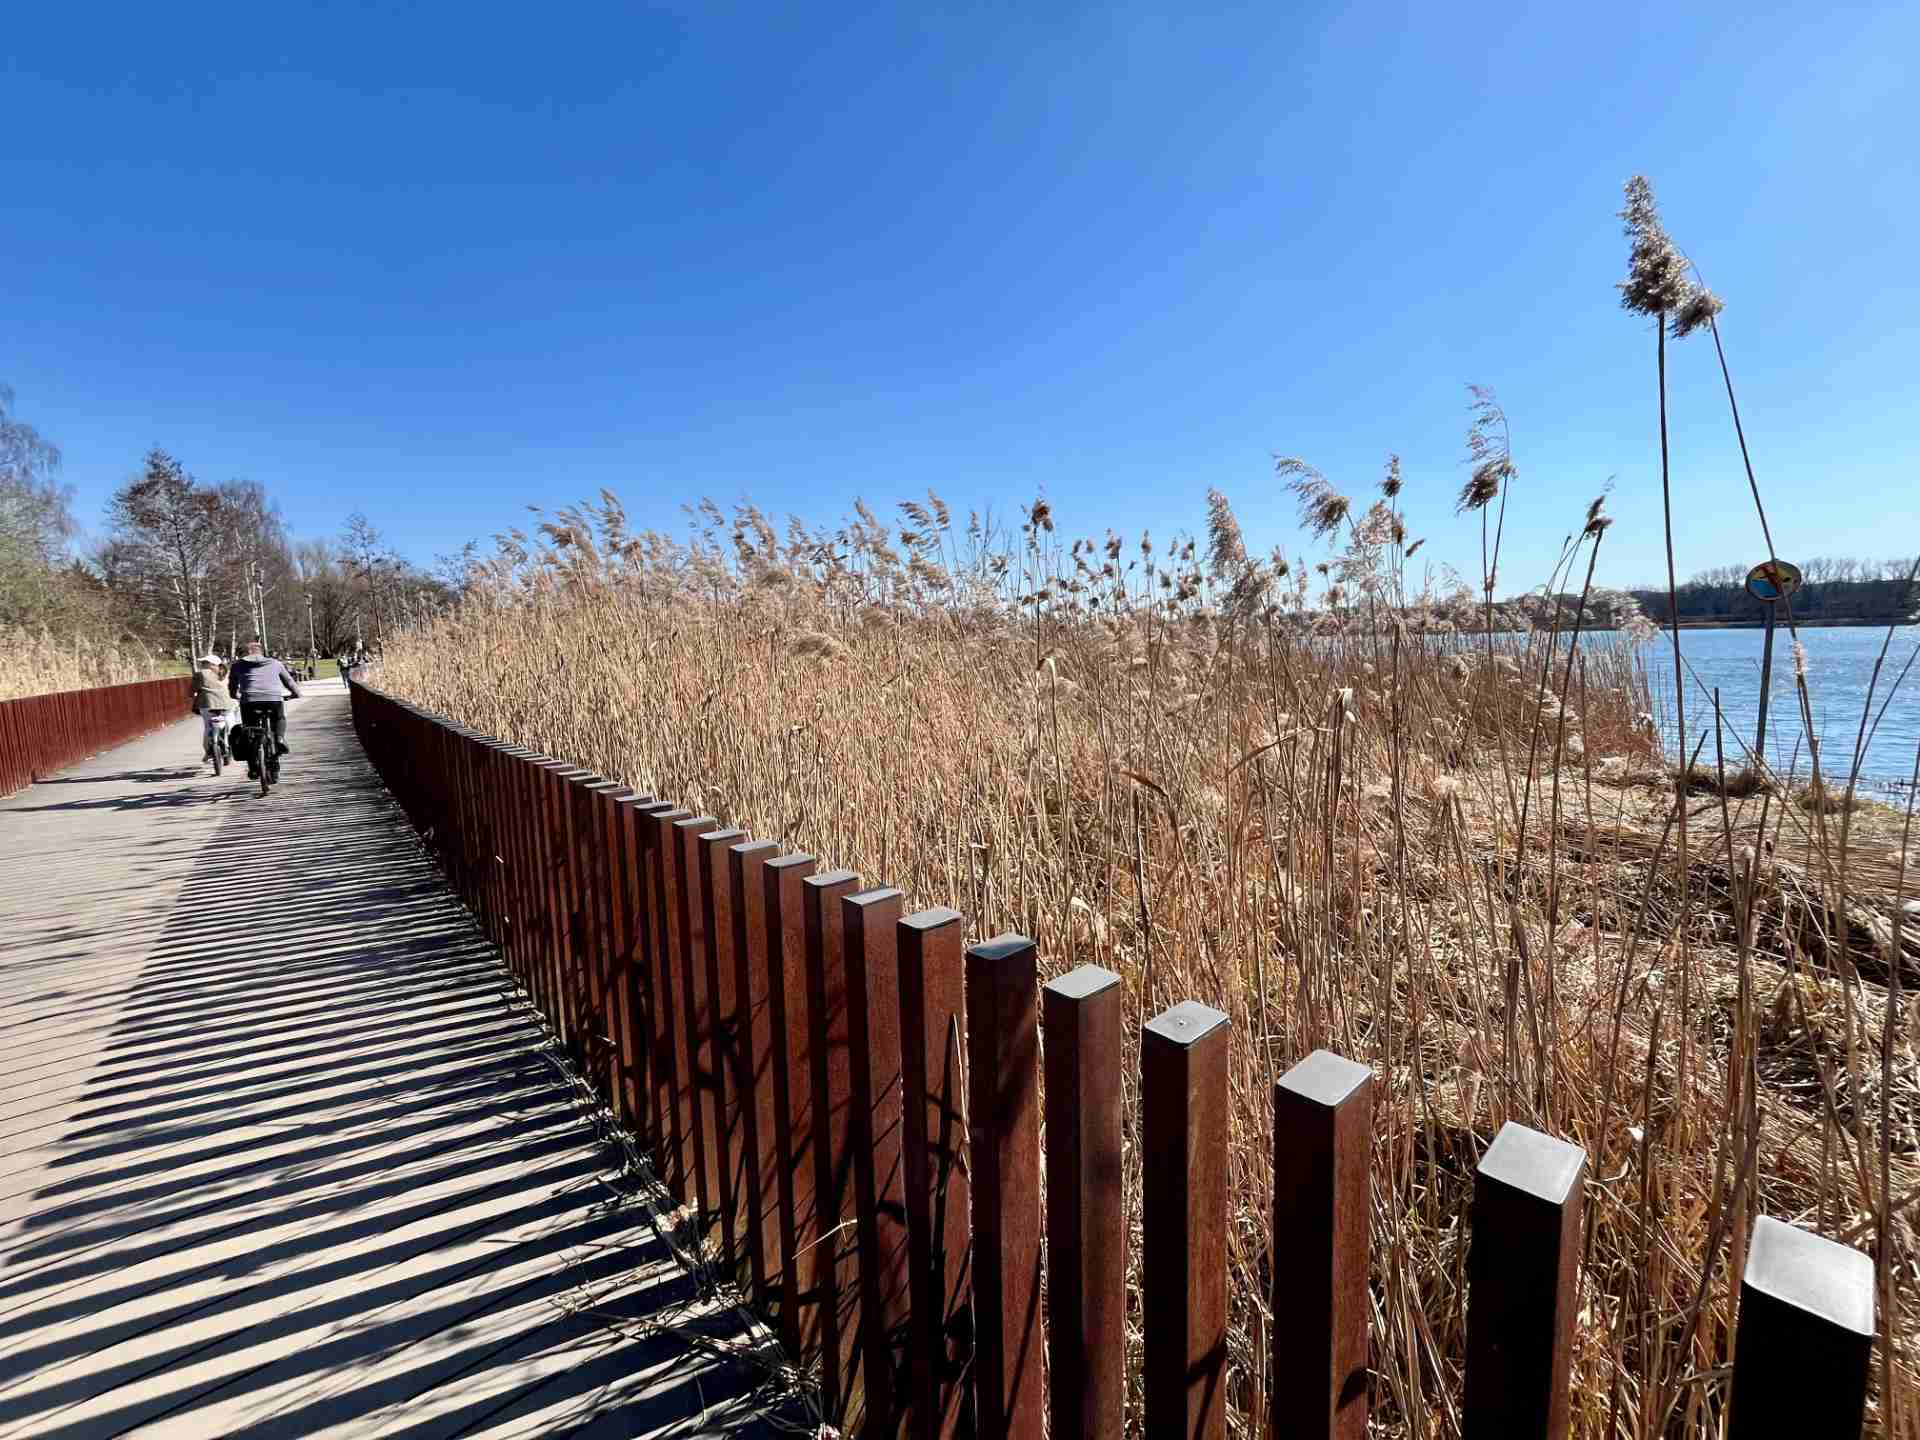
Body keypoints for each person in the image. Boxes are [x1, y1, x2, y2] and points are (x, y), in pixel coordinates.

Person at [227, 637, 304, 775]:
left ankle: (252, 765)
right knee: (279, 718)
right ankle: (279, 738)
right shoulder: (275, 663)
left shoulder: (237, 665)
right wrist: (296, 694)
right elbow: (289, 681)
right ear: (262, 652)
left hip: (249, 701)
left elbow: (232, 686)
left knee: (249, 729)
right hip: (273, 699)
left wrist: (235, 695)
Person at [189, 654, 235, 761]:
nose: (202, 664)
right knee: (230, 725)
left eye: (204, 663)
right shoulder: (226, 673)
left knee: (208, 726)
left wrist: (191, 696)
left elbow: (192, 691)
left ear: (211, 664)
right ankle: (230, 747)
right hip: (226, 704)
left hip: (207, 704)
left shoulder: (200, 674)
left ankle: (207, 752)